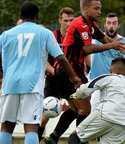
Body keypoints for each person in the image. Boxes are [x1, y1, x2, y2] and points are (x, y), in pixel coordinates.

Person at [44, 0, 125, 143]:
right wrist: (111, 45)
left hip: (67, 70)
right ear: (86, 9)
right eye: (96, 9)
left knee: (77, 110)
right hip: (70, 71)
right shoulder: (80, 25)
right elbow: (88, 49)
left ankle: (54, 136)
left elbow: (106, 40)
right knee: (86, 111)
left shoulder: (91, 25)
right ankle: (77, 139)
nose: (99, 12)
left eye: (100, 8)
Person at [0, 2, 81, 144]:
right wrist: (72, 76)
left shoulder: (6, 35)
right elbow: (60, 58)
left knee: (6, 126)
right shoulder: (45, 33)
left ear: (20, 16)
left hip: (10, 84)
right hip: (32, 86)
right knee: (31, 126)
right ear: (37, 17)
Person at [67, 57, 125, 144]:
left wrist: (76, 95)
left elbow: (86, 89)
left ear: (110, 70)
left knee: (75, 136)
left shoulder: (107, 77)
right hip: (123, 124)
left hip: (105, 115)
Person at [89, 12, 125, 112]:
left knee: (116, 114)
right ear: (104, 25)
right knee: (94, 114)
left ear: (118, 25)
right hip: (98, 83)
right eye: (108, 23)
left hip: (117, 84)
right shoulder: (95, 39)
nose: (111, 26)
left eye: (114, 23)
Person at [38, 7, 75, 141]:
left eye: (71, 20)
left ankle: (54, 136)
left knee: (80, 110)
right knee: (44, 117)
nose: (69, 23)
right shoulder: (51, 36)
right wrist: (56, 72)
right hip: (54, 80)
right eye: (66, 20)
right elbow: (43, 61)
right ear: (60, 21)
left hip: (71, 80)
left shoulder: (76, 37)